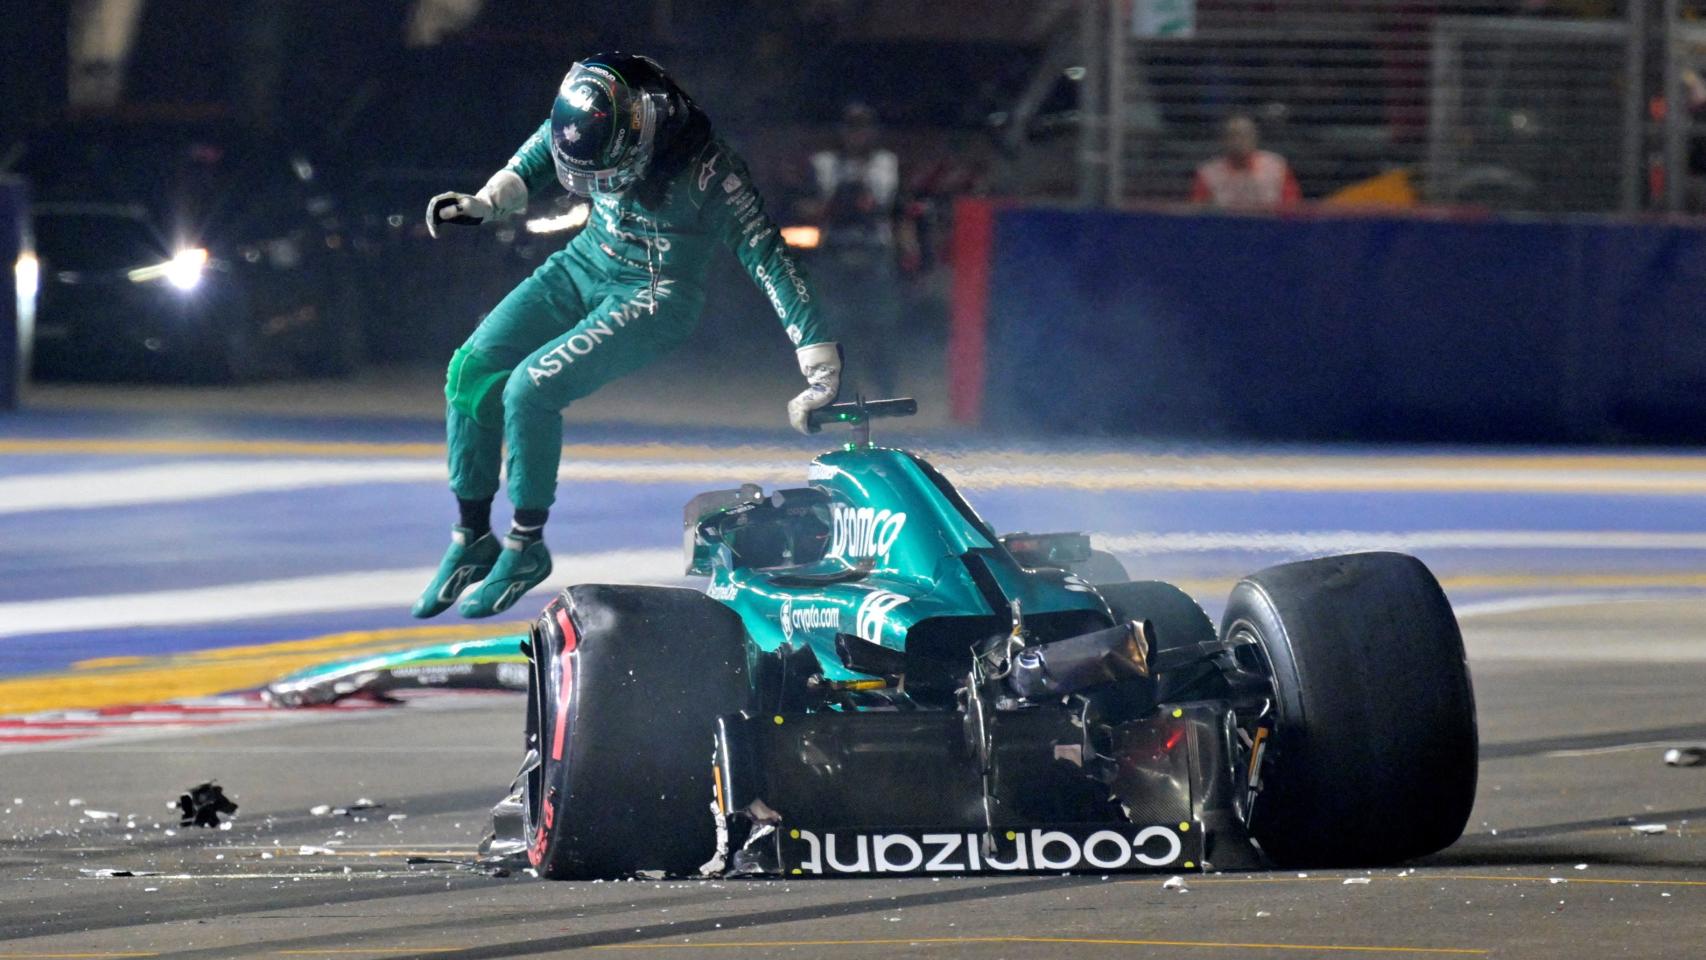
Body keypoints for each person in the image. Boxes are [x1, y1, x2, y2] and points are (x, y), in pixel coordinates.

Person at [414, 53, 840, 619]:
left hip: (653, 295)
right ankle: (472, 537)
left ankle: (525, 545)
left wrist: (818, 361)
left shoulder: (711, 173)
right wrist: (490, 199)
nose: (596, 185)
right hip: (585, 260)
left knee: (528, 390)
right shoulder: (602, 115)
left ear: (649, 132)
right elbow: (550, 143)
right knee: (470, 368)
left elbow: (770, 259)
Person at [799, 103, 917, 397]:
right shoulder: (824, 164)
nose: (857, 135)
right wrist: (831, 208)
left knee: (882, 325)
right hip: (834, 252)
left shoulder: (887, 165)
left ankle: (884, 386)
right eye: (852, 128)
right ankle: (839, 387)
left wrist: (908, 250)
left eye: (863, 128)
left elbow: (900, 211)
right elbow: (800, 206)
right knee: (834, 326)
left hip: (876, 252)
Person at [1190, 114, 1302, 212]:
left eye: (1244, 135)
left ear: (1255, 137)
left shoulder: (1277, 167)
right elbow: (1197, 212)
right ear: (1223, 140)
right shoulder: (1208, 173)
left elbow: (1293, 208)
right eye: (1233, 135)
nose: (1238, 141)